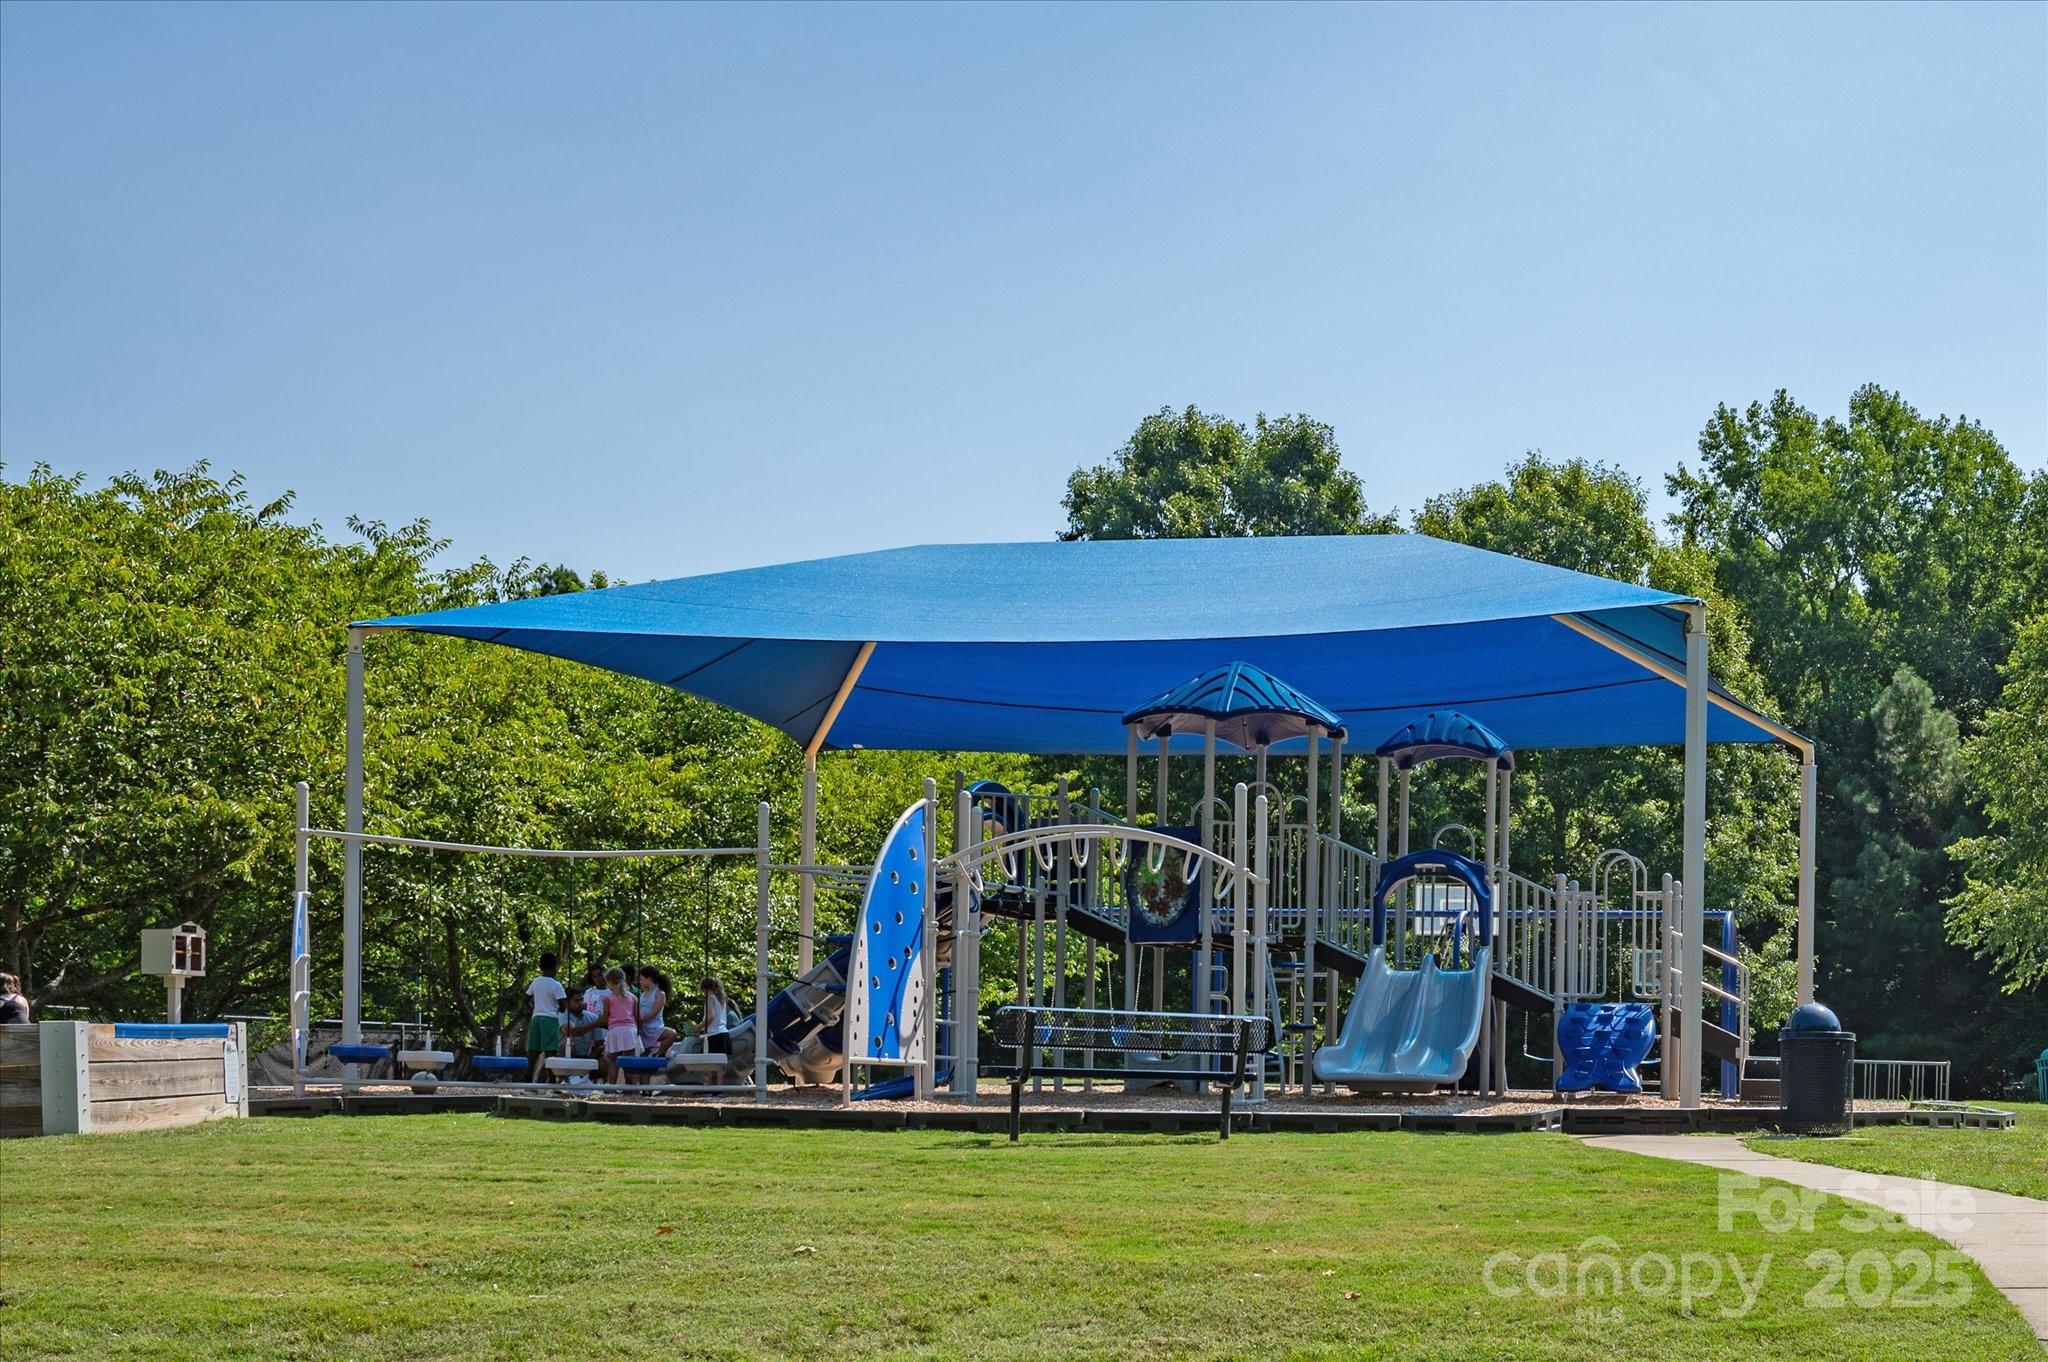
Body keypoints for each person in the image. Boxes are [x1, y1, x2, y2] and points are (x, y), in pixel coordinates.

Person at [524, 952, 567, 1081]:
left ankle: (528, 1076)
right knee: (550, 1051)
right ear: (554, 966)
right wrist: (557, 1009)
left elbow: (525, 999)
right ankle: (552, 1080)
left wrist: (531, 1009)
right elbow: (563, 1006)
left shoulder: (536, 981)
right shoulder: (556, 985)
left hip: (536, 1018)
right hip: (550, 1018)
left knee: (533, 1050)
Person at [598, 966, 640, 1083]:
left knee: (613, 1061)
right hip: (630, 1030)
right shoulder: (633, 997)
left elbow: (605, 1018)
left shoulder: (608, 998)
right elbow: (637, 1017)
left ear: (610, 982)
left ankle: (612, 1087)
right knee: (630, 1060)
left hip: (615, 1031)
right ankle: (631, 1087)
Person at [636, 966, 677, 1056]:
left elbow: (653, 1013)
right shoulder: (642, 995)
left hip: (655, 1028)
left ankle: (660, 1053)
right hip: (642, 1027)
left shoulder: (660, 993)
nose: (640, 982)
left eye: (641, 979)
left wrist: (640, 1019)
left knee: (672, 1034)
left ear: (649, 979)